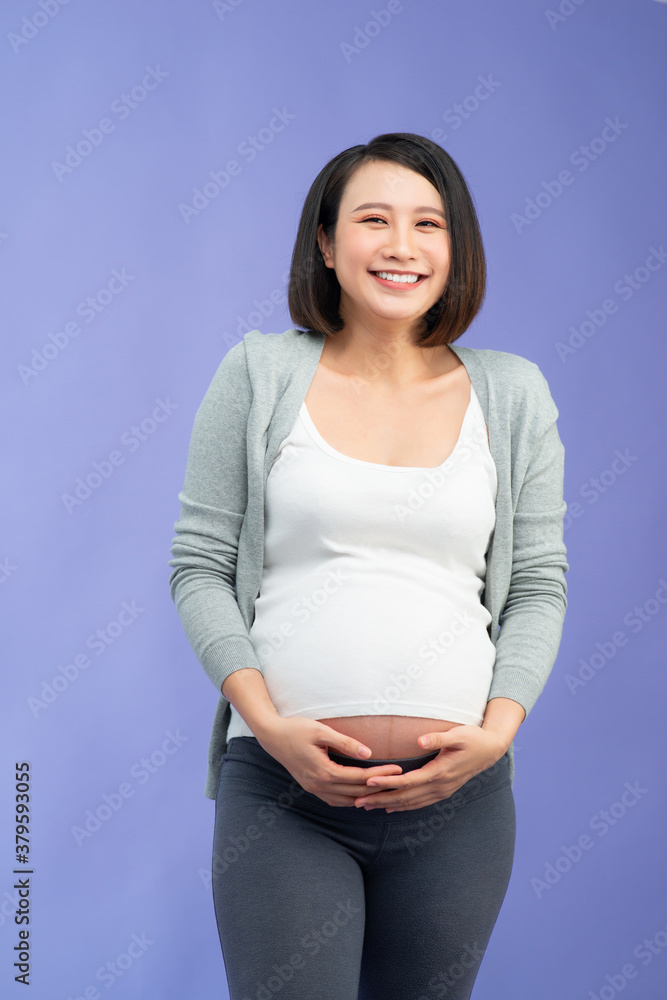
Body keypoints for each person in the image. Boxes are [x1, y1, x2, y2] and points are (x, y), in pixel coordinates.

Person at [168, 131, 569, 999]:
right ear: (325, 241)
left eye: (428, 223)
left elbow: (537, 583)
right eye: (373, 219)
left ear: (454, 247)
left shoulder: (512, 392)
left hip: (458, 808)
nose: (400, 245)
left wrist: (497, 733)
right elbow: (198, 567)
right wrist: (270, 726)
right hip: (283, 796)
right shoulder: (259, 373)